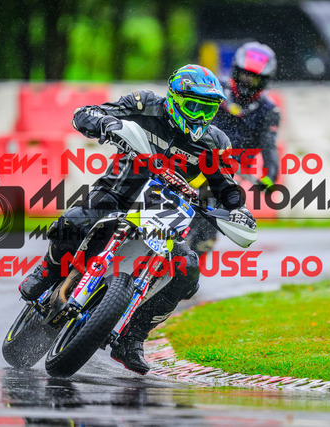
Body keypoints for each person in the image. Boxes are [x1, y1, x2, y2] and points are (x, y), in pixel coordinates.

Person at [18, 64, 255, 375]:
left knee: (187, 271)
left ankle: (132, 339)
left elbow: (226, 185)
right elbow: (84, 113)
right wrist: (104, 122)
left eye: (207, 109)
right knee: (72, 223)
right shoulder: (144, 104)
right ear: (175, 98)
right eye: (193, 106)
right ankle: (48, 271)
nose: (199, 116)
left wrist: (238, 208)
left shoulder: (216, 141)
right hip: (118, 193)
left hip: (167, 212)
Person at [187, 42, 280, 256]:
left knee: (210, 223)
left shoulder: (269, 111)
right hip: (193, 155)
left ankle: (191, 260)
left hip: (228, 171)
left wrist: (269, 178)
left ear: (265, 81)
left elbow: (269, 146)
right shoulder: (213, 89)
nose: (247, 81)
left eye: (254, 78)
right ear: (235, 71)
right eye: (244, 75)